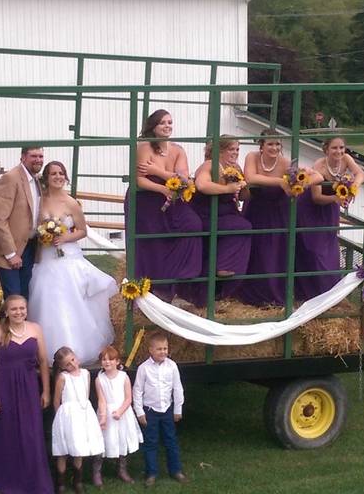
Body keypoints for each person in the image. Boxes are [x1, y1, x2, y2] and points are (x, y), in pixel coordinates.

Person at [29, 161, 117, 366]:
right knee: (46, 301)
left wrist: (65, 238)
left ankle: (76, 348)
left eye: (61, 173)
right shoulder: (39, 201)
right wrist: (44, 237)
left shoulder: (71, 202)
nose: (58, 177)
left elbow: (82, 230)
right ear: (46, 178)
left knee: (71, 302)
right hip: (46, 258)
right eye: (53, 174)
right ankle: (47, 350)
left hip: (67, 256)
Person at [125, 109, 202, 303]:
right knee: (154, 240)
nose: (167, 126)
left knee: (192, 225)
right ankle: (155, 286)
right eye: (162, 123)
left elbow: (184, 179)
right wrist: (162, 188)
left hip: (172, 199)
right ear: (153, 127)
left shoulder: (177, 150)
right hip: (146, 200)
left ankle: (181, 278)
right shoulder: (144, 147)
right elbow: (139, 180)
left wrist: (158, 170)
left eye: (169, 122)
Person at [239, 132, 322, 305]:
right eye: (270, 144)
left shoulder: (285, 163)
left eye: (277, 144)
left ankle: (274, 296)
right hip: (256, 210)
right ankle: (252, 294)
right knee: (256, 251)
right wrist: (281, 182)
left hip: (278, 213)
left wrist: (300, 184)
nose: (274, 148)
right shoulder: (252, 157)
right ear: (261, 146)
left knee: (275, 253)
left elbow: (318, 176)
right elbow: (250, 177)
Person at [0, 295, 53, 494]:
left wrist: (46, 390)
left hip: (29, 387)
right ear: (6, 311)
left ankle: (34, 481)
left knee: (31, 434)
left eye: (22, 308)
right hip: (3, 387)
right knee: (6, 432)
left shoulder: (35, 329)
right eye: (14, 309)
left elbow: (43, 362)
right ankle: (6, 481)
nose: (19, 312)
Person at [296, 136, 364, 300]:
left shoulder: (346, 159)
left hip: (330, 210)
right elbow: (316, 197)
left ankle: (330, 294)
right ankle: (311, 293)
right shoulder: (319, 166)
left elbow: (360, 174)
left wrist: (352, 188)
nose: (339, 151)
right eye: (334, 148)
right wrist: (337, 198)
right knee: (313, 250)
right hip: (311, 210)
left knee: (329, 250)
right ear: (326, 149)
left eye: (342, 147)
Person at [193, 136, 251, 300]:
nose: (235, 153)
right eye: (231, 149)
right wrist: (228, 189)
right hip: (207, 213)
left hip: (227, 213)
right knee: (242, 226)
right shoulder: (210, 165)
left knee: (243, 225)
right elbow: (202, 185)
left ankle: (225, 281)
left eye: (237, 149)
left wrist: (243, 186)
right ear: (220, 151)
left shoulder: (236, 168)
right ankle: (223, 266)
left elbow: (244, 197)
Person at [0, 147, 45, 299]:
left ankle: (14, 323)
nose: (38, 159)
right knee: (14, 296)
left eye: (41, 156)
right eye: (33, 156)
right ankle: (10, 323)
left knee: (23, 295)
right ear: (23, 157)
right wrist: (11, 253)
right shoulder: (11, 178)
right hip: (9, 249)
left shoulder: (36, 180)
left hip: (29, 246)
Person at [132, 331, 187, 486]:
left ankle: (176, 471)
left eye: (165, 348)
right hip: (150, 411)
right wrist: (140, 412)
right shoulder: (144, 368)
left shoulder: (172, 366)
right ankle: (151, 473)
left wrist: (178, 409)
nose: (163, 352)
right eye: (159, 349)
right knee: (150, 442)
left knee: (171, 440)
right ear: (150, 350)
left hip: (167, 410)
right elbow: (137, 391)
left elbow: (177, 388)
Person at [51, 346, 106, 493]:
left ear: (76, 356)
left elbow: (85, 396)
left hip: (82, 415)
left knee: (79, 448)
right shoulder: (63, 378)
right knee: (63, 450)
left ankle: (77, 481)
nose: (73, 364)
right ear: (62, 367)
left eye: (73, 359)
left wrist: (84, 412)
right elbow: (56, 401)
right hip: (67, 417)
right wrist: (60, 419)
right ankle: (61, 483)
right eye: (68, 364)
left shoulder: (86, 374)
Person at [93, 345, 141, 486]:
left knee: (122, 439)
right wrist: (103, 416)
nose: (107, 362)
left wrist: (120, 411)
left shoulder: (124, 377)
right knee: (102, 441)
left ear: (117, 362)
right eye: (104, 360)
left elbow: (128, 398)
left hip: (123, 413)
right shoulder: (99, 379)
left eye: (110, 359)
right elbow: (101, 400)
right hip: (107, 413)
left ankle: (122, 469)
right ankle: (96, 472)